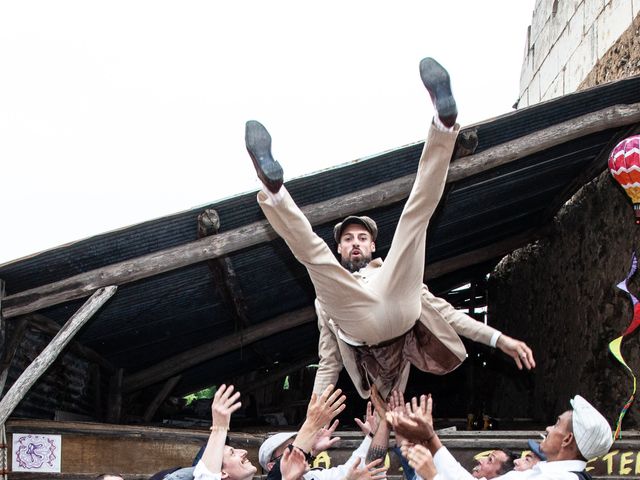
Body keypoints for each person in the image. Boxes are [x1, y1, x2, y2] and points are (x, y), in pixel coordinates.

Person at [244, 56, 535, 399]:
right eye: (348, 239)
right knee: (313, 256)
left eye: (362, 238)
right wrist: (313, 417)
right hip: (358, 321)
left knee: (414, 220)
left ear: (372, 248)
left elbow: (448, 314)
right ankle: (275, 190)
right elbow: (328, 364)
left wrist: (499, 339)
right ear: (342, 248)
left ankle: (444, 125)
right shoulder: (330, 297)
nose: (355, 243)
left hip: (397, 304)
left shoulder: (391, 271)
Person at [389, 394, 613, 480]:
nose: (548, 428)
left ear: (567, 440)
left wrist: (432, 476)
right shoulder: (544, 473)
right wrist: (431, 438)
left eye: (557, 424)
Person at [258, 400, 386, 480]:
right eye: (289, 450)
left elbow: (354, 466)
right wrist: (312, 425)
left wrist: (371, 436)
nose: (300, 451)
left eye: (297, 445)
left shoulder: (315, 476)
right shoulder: (275, 477)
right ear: (272, 466)